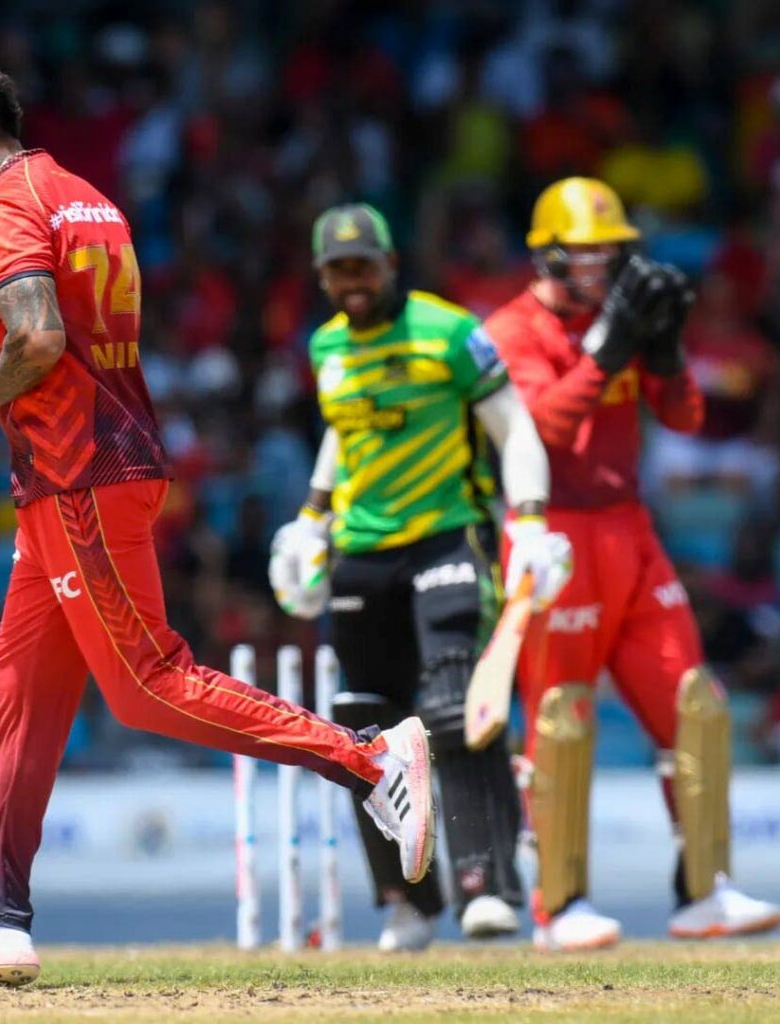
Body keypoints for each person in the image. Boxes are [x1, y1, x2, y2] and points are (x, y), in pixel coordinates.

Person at [0, 56, 437, 988]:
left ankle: (370, 761)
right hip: (95, 466)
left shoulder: (1, 211)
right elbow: (56, 298)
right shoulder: (80, 194)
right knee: (19, 682)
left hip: (78, 474)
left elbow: (40, 339)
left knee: (148, 684)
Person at [485, 177, 780, 952]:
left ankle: (703, 892)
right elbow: (540, 431)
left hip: (630, 531)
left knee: (695, 705)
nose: (600, 262)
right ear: (547, 251)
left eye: (610, 249)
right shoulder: (509, 331)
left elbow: (684, 414)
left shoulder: (622, 313)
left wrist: (665, 350)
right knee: (560, 720)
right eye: (585, 249)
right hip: (551, 536)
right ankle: (560, 906)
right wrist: (606, 350)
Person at [268, 203, 572, 950]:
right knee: (361, 725)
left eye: (363, 266)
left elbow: (517, 429)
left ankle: (485, 888)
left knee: (451, 704)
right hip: (362, 552)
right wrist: (310, 519)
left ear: (390, 262)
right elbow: (348, 426)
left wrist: (528, 519)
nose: (353, 282)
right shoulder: (328, 346)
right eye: (338, 271)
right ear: (321, 276)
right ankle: (409, 904)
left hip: (447, 539)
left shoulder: (450, 333)